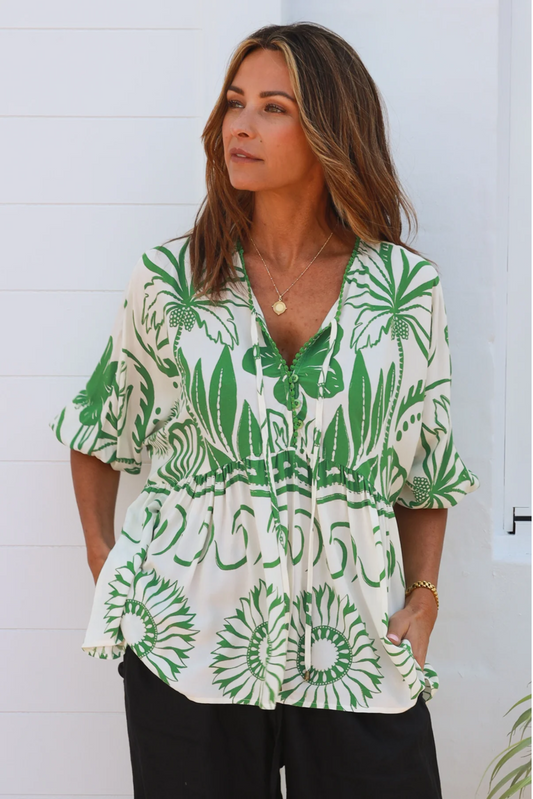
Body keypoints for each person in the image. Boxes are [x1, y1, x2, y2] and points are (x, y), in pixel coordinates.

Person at [49, 21, 480, 799]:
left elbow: (424, 475)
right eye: (233, 102)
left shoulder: (405, 291)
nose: (238, 126)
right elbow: (98, 427)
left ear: (328, 131)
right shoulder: (171, 279)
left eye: (272, 107)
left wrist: (423, 596)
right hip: (190, 640)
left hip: (353, 644)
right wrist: (105, 557)